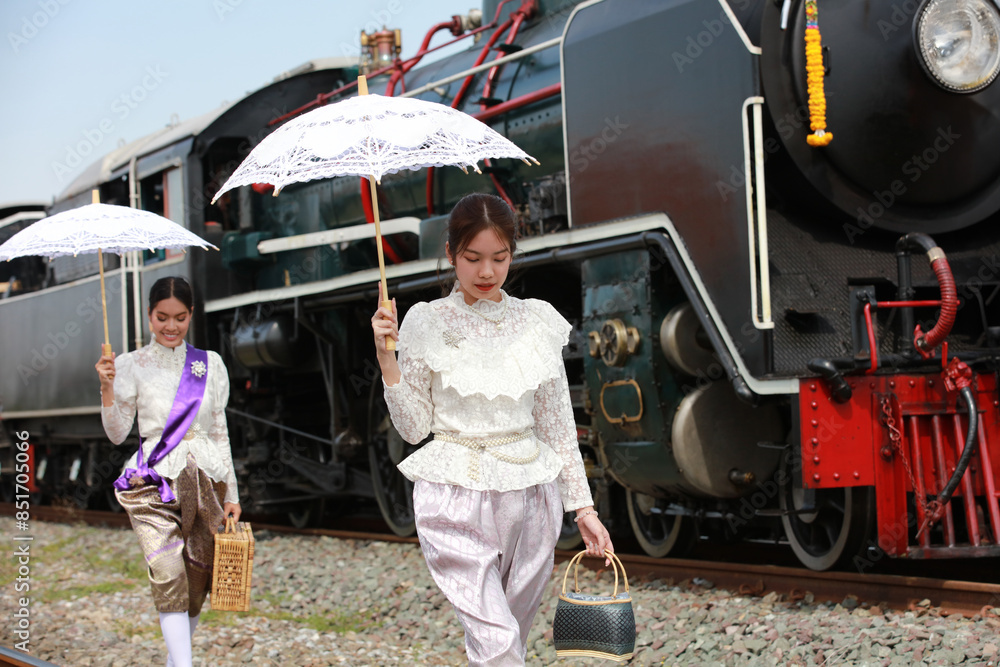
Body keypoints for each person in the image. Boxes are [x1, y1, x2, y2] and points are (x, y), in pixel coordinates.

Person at [372, 193, 614, 666]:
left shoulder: (536, 321)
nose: (486, 272)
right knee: (499, 642)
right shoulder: (424, 322)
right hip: (453, 499)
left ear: (512, 256)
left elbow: (558, 425)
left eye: (499, 259)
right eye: (473, 258)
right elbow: (414, 426)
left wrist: (582, 508)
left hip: (532, 498)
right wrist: (387, 358)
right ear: (450, 255)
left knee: (508, 642)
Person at [96, 276, 240, 667]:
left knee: (196, 579)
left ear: (191, 315)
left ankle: (177, 660)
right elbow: (115, 434)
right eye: (162, 317)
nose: (171, 326)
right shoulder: (130, 365)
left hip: (207, 479)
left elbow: (219, 432)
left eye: (179, 317)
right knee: (167, 569)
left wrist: (233, 496)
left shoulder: (209, 364)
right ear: (149, 315)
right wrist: (108, 388)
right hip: (153, 483)